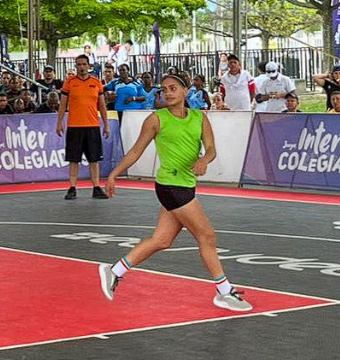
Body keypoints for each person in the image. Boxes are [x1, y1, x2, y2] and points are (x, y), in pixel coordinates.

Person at [99, 70, 252, 313]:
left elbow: (211, 149)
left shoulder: (199, 117)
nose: (168, 93)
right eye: (164, 89)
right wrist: (114, 174)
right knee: (207, 236)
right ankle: (224, 292)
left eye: (173, 88)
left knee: (162, 240)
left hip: (185, 183)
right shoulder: (156, 119)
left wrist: (204, 160)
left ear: (185, 91)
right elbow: (136, 151)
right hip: (171, 186)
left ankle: (114, 270)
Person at [57, 54, 110, 201]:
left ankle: (96, 187)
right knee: (74, 159)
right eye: (78, 64)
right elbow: (62, 104)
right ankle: (73, 187)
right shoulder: (69, 82)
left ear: (89, 65)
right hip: (74, 125)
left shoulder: (96, 82)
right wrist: (59, 122)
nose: (81, 67)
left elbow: (102, 105)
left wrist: (106, 124)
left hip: (92, 125)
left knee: (94, 159)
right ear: (76, 66)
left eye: (83, 64)